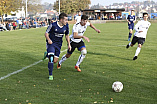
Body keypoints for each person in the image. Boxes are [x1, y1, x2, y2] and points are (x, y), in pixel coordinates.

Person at [44, 13, 71, 80]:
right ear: (61, 20)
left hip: (58, 44)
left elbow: (67, 35)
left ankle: (47, 54)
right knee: (51, 58)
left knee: (55, 61)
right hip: (51, 43)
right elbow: (46, 33)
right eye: (65, 20)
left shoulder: (66, 26)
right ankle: (50, 74)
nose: (67, 21)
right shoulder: (53, 25)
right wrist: (49, 40)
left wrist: (69, 44)